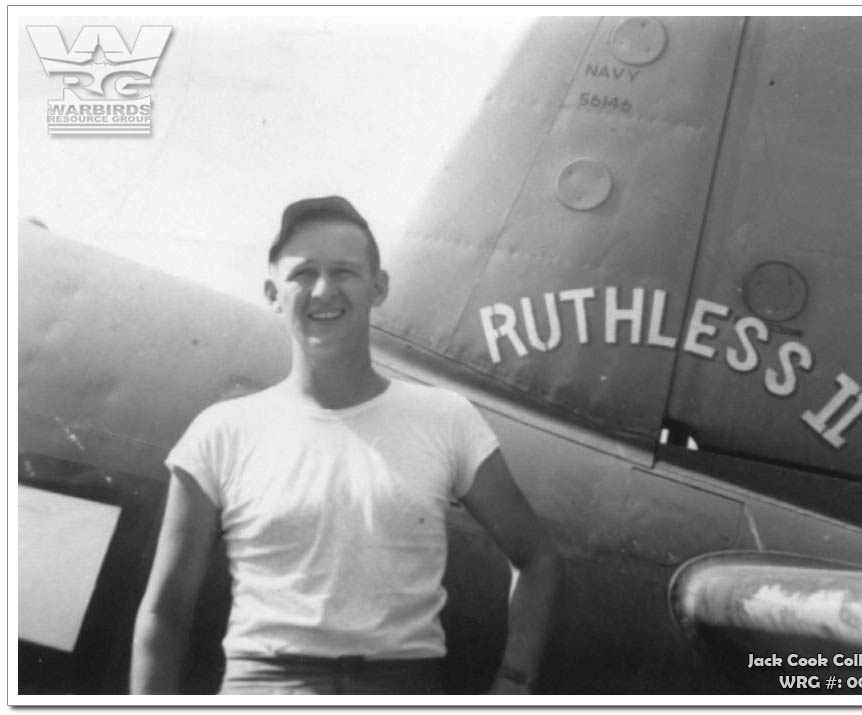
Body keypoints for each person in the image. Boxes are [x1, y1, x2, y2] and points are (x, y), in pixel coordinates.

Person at [131, 196, 563, 695]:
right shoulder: (220, 433)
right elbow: (164, 613)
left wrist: (513, 686)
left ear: (379, 287)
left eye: (344, 272)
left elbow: (539, 560)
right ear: (272, 292)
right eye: (302, 274)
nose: (322, 290)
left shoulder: (447, 418)